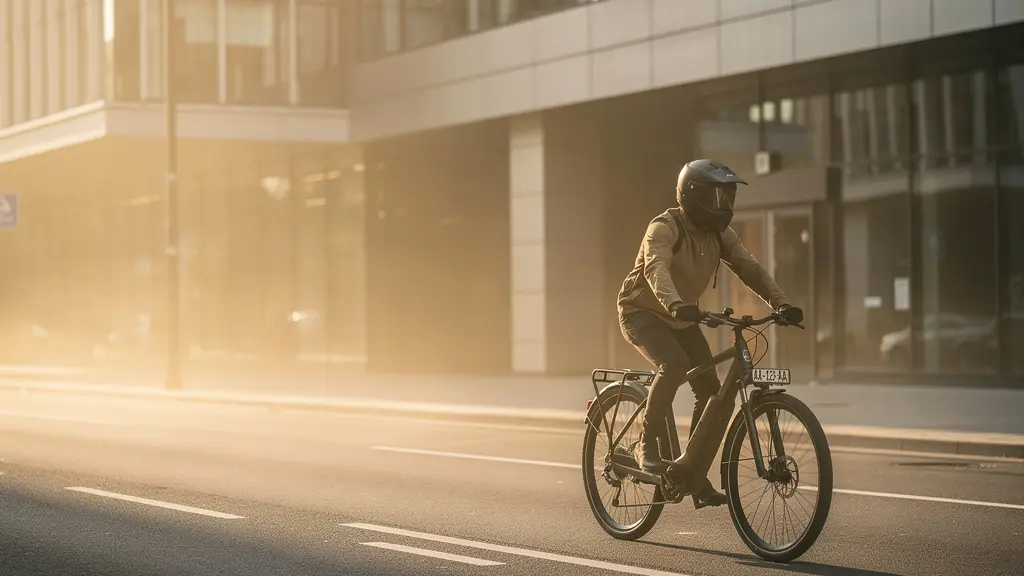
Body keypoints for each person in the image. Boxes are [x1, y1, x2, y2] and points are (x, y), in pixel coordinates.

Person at [616, 159, 803, 508]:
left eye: (728, 198)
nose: (724, 207)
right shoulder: (664, 227)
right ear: (692, 195)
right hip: (642, 312)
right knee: (673, 365)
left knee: (712, 390)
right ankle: (647, 443)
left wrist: (782, 304)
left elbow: (749, 268)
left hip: (681, 317)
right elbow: (657, 269)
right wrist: (674, 304)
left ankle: (692, 471)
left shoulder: (721, 234)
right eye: (717, 198)